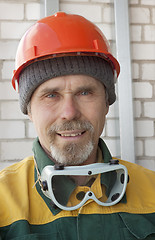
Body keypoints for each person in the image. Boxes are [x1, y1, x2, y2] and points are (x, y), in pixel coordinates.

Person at [0, 12, 155, 240]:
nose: (69, 112)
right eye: (51, 95)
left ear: (106, 103)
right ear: (29, 110)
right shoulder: (3, 198)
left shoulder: (151, 189)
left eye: (85, 92)